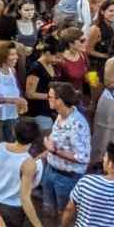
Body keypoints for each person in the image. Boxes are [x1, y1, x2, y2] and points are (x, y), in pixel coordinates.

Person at [0, 120, 47, 227]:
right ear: (35, 139)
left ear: (14, 132)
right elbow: (25, 198)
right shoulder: (29, 163)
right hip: (11, 211)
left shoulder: (0, 147)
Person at [42, 82, 91, 215]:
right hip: (50, 170)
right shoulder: (60, 115)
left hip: (66, 178)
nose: (48, 99)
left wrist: (54, 151)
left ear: (60, 101)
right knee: (48, 209)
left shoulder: (77, 125)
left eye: (50, 96)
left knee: (64, 213)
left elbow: (83, 158)